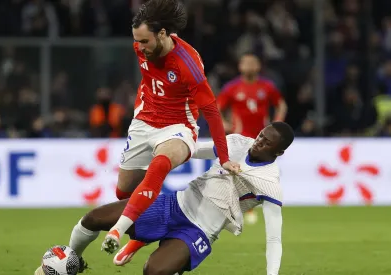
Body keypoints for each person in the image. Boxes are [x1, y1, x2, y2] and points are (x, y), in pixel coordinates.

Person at [33, 122, 294, 275]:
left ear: (279, 151)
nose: (258, 142)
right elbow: (195, 152)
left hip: (200, 231)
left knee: (153, 271)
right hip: (173, 205)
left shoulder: (269, 183)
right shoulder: (237, 143)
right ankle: (73, 262)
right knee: (94, 218)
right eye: (261, 135)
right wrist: (164, 153)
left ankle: (153, 249)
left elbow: (274, 237)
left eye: (266, 142)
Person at [103, 0, 240, 257]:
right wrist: (138, 114)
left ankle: (118, 232)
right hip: (145, 121)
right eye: (137, 41)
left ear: (163, 34)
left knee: (160, 164)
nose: (140, 48)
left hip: (178, 125)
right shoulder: (141, 47)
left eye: (145, 41)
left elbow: (211, 112)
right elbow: (148, 82)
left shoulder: (188, 65)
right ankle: (149, 232)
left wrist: (224, 158)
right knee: (123, 191)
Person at [217, 52, 287, 224]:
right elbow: (216, 109)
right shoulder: (232, 88)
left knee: (261, 173)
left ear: (258, 66)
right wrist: (224, 125)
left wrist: (277, 125)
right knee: (239, 174)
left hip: (262, 141)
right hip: (240, 139)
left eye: (252, 62)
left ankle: (255, 205)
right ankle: (238, 208)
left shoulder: (267, 86)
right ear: (240, 66)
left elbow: (281, 105)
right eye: (245, 63)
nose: (249, 66)